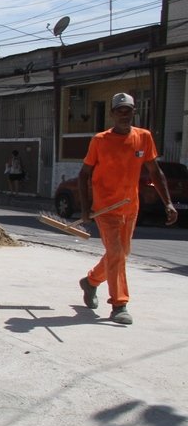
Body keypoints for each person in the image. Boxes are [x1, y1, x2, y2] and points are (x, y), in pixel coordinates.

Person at [76, 92, 178, 325]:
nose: (124, 115)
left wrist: (168, 203)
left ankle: (91, 281)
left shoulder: (143, 137)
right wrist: (85, 208)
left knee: (121, 254)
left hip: (129, 207)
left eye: (128, 110)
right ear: (112, 114)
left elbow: (155, 172)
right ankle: (119, 304)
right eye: (119, 111)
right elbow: (84, 175)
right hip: (105, 208)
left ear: (134, 112)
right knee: (116, 253)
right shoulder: (100, 141)